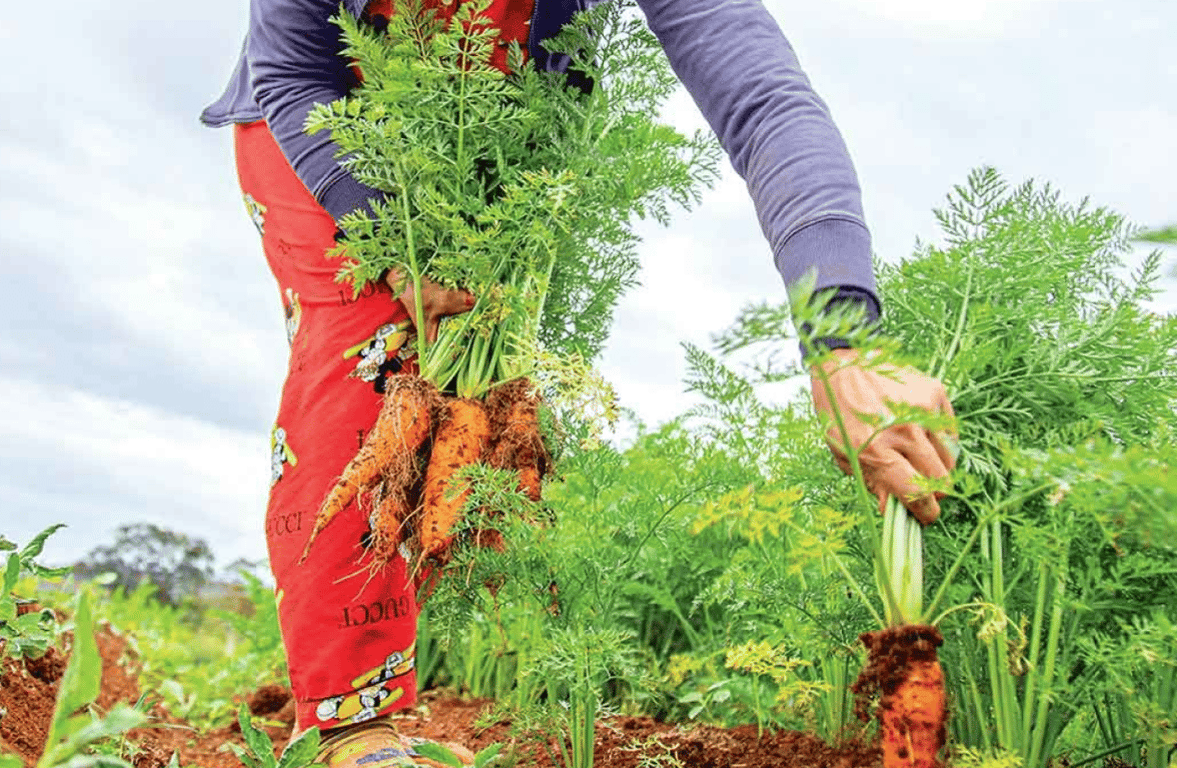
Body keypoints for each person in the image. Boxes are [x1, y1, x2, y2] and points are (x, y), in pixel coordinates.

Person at [200, 0, 957, 765]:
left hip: (493, 132)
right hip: (321, 124)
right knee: (366, 352)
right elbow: (294, 69)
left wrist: (844, 341)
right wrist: (392, 237)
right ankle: (342, 722)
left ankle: (376, 662)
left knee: (464, 410)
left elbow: (764, 100)